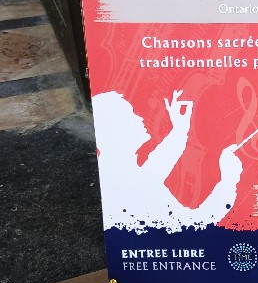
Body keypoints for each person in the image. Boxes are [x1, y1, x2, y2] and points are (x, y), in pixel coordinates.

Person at [93, 90, 243, 233]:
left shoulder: (118, 168)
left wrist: (180, 130)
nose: (139, 118)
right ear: (116, 130)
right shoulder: (131, 184)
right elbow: (196, 225)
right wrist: (229, 180)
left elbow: (152, 173)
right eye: (130, 114)